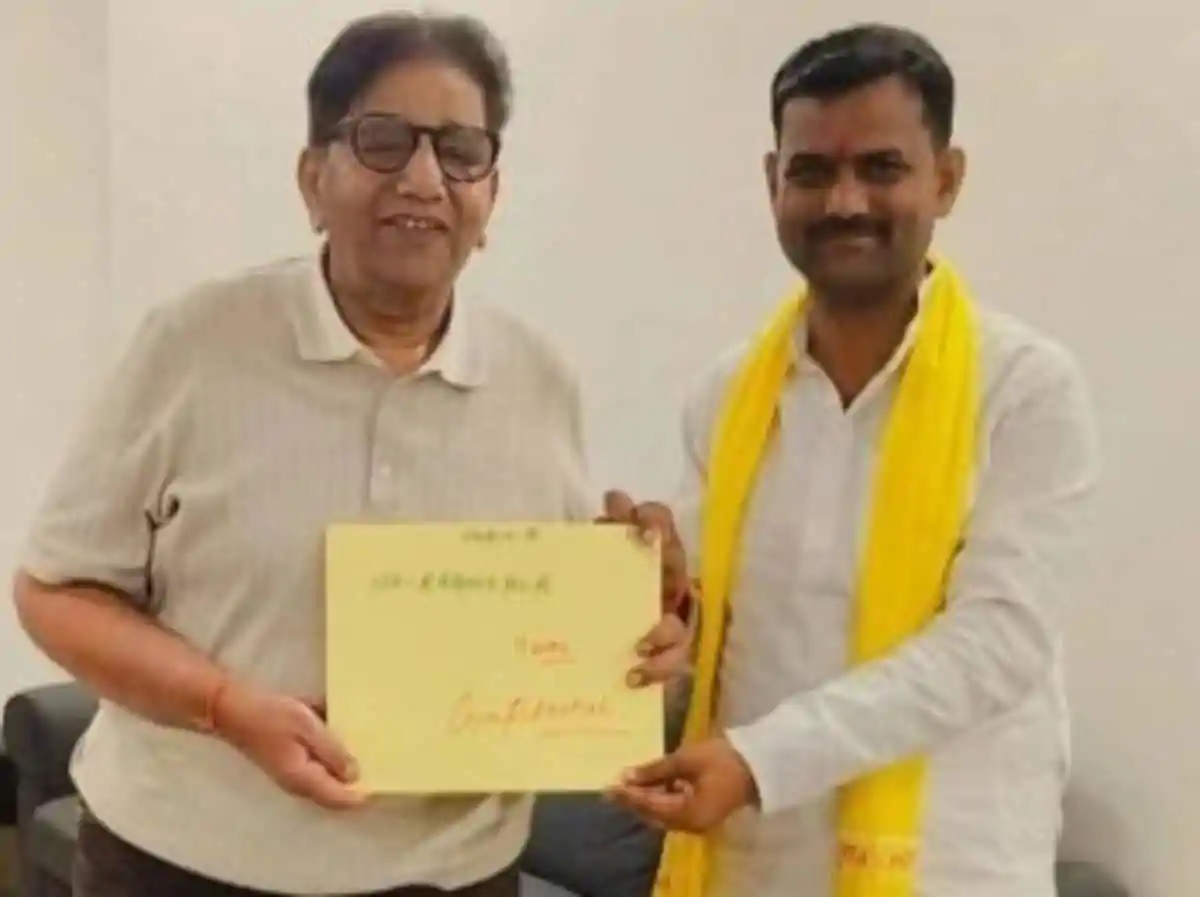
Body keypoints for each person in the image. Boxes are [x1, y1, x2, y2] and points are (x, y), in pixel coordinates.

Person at [12, 12, 688, 897]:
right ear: (313, 179)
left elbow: (541, 635)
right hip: (182, 866)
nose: (423, 178)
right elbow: (54, 593)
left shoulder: (539, 379)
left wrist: (640, 623)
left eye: (460, 151)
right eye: (382, 140)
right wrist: (226, 707)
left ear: (491, 195)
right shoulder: (194, 346)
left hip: (456, 875)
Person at [606, 23, 1100, 897]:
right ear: (772, 181)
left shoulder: (1025, 388)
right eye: (811, 171)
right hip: (752, 863)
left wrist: (761, 760)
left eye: (881, 167)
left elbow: (998, 643)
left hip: (950, 864)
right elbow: (712, 622)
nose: (844, 201)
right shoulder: (727, 395)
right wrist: (661, 602)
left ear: (946, 180)